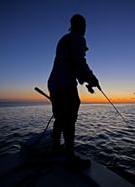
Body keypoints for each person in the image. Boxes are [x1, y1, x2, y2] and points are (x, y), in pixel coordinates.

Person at [47, 14, 100, 169]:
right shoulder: (78, 38)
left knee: (59, 117)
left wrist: (86, 82)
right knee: (69, 119)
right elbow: (79, 62)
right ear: (81, 26)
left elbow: (72, 65)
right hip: (64, 85)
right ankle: (70, 158)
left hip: (54, 84)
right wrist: (93, 79)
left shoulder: (64, 39)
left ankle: (55, 149)